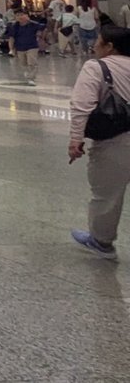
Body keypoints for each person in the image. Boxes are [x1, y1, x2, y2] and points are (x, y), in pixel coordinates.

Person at [67, 24, 130, 259]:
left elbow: (82, 105)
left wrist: (76, 139)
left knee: (107, 195)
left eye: (98, 40)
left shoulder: (96, 67)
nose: (94, 45)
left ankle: (102, 243)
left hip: (116, 140)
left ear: (110, 46)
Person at [6, 10, 47, 84]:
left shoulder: (33, 24)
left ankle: (31, 78)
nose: (20, 17)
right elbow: (11, 38)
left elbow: (43, 27)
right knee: (23, 63)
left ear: (27, 16)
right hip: (20, 47)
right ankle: (27, 73)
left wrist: (40, 37)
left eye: (22, 15)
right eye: (18, 15)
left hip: (32, 46)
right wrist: (11, 49)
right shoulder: (14, 26)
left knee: (32, 62)